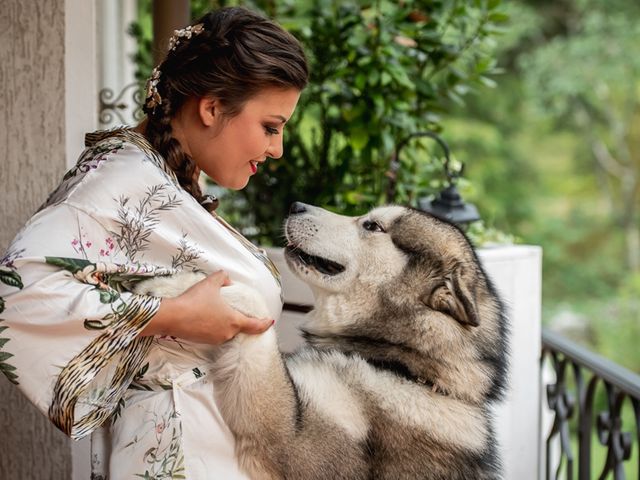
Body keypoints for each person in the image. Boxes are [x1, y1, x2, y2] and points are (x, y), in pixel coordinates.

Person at [0, 6, 308, 479]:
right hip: (177, 451)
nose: (277, 149)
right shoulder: (119, 181)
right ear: (211, 107)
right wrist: (174, 316)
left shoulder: (164, 179)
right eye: (270, 126)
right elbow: (16, 294)